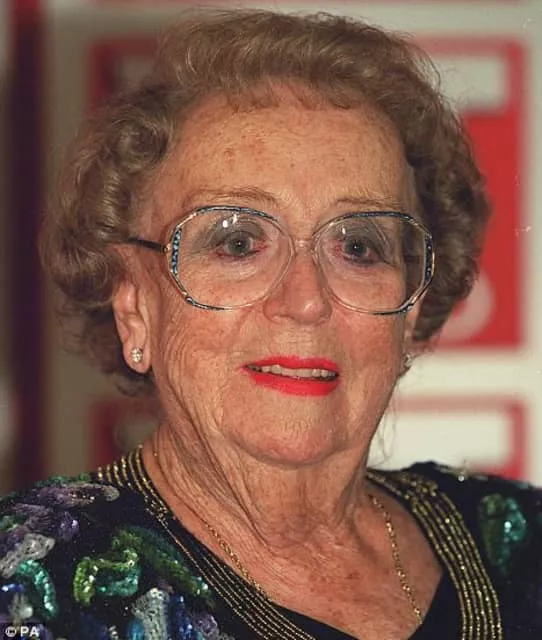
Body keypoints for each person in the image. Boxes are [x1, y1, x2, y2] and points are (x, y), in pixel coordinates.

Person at [1, 8, 540, 639]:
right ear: (134, 305)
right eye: (237, 243)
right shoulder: (33, 584)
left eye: (358, 246)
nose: (306, 301)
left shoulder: (519, 545)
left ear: (412, 306)